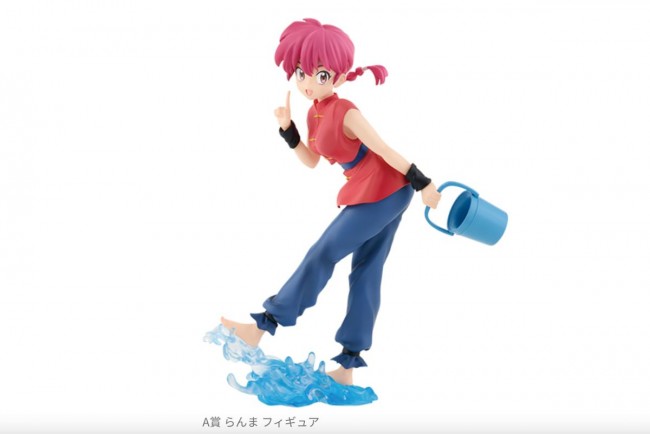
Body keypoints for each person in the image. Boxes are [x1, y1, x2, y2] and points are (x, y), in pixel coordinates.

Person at [221, 18, 441, 386]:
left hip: (386, 188)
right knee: (367, 270)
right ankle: (347, 368)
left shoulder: (347, 111)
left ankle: (262, 326)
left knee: (323, 252)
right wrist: (289, 130)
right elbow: (311, 161)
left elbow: (384, 149)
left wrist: (424, 183)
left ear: (338, 77)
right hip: (372, 188)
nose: (308, 82)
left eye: (320, 74)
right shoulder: (314, 112)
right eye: (301, 72)